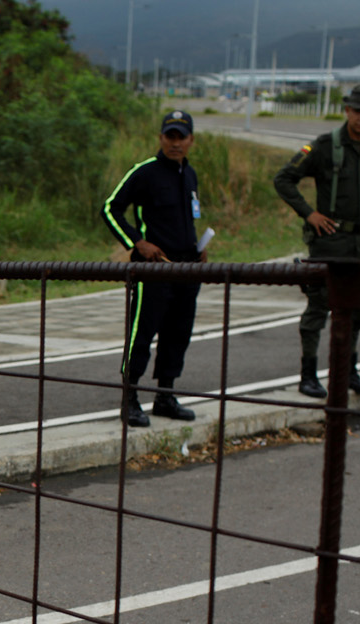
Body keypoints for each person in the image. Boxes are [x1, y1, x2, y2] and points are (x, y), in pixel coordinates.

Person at [274, 82, 360, 398]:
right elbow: (284, 179)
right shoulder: (324, 146)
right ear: (347, 110)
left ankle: (348, 370)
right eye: (358, 111)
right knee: (318, 307)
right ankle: (308, 374)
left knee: (358, 309)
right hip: (330, 240)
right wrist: (309, 214)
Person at [102, 109, 206, 428]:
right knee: (142, 332)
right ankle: (130, 398)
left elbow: (190, 217)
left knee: (178, 332)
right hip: (153, 269)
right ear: (161, 138)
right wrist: (136, 243)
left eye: (181, 137)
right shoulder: (145, 172)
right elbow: (111, 208)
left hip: (186, 270)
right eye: (170, 136)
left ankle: (165, 395)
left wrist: (199, 248)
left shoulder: (189, 174)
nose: (175, 143)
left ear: (191, 140)